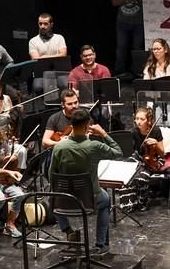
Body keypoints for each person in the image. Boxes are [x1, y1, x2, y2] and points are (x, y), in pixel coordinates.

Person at [48, 108, 122, 254]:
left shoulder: (59, 147)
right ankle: (101, 244)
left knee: (52, 198)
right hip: (89, 200)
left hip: (64, 200)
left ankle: (69, 231)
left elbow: (52, 175)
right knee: (106, 199)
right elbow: (118, 152)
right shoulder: (94, 146)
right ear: (87, 125)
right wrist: (103, 134)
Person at [111, 0, 144, 76]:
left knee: (137, 48)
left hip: (138, 21)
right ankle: (119, 71)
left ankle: (137, 71)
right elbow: (114, 2)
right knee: (121, 47)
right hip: (123, 21)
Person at [130, 106, 164, 211]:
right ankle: (129, 203)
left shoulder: (156, 131)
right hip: (140, 158)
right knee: (128, 173)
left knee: (141, 177)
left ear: (148, 121)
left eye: (142, 119)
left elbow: (162, 153)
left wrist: (155, 144)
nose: (138, 122)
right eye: (137, 119)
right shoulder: (134, 132)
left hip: (154, 160)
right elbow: (135, 151)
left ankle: (142, 202)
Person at [28, 13, 68, 94]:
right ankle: (44, 106)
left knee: (64, 84)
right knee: (38, 87)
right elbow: (35, 58)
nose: (42, 26)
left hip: (58, 72)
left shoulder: (59, 38)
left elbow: (63, 54)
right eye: (40, 23)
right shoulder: (33, 41)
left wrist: (44, 56)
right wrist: (55, 56)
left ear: (51, 24)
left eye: (45, 24)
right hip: (41, 73)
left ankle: (63, 104)